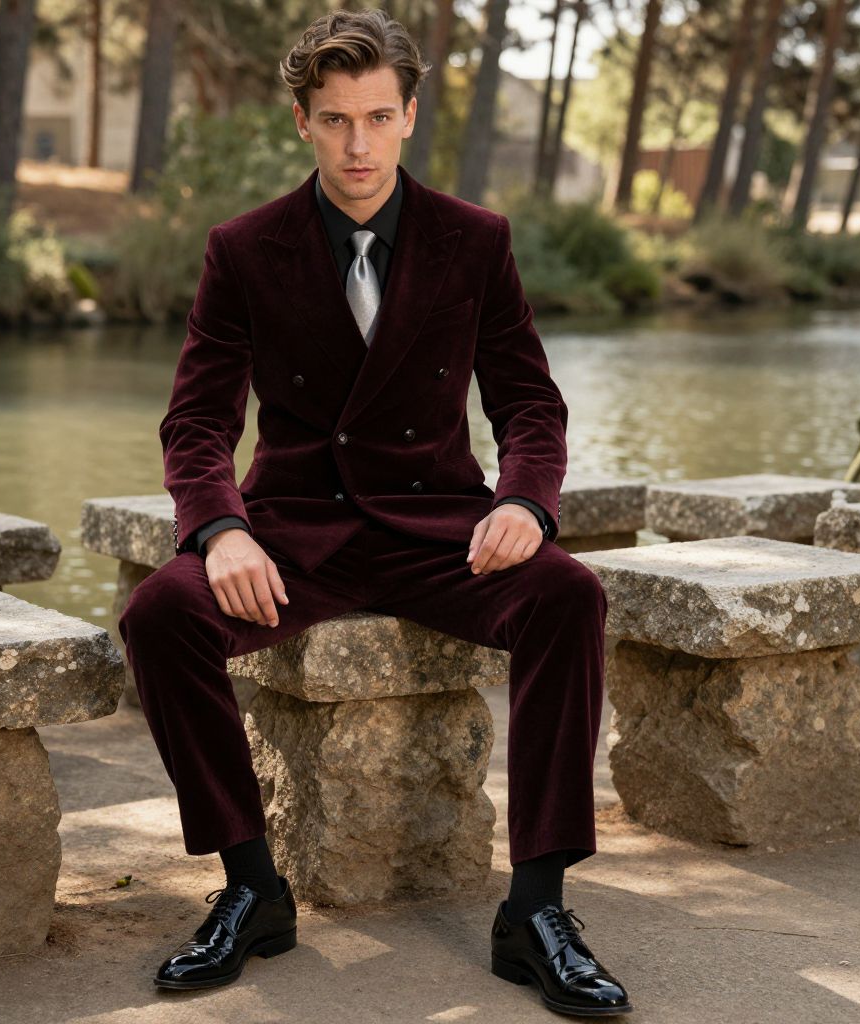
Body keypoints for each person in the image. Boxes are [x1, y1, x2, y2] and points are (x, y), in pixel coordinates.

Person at [118, 8, 632, 1018]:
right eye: (336, 119)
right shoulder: (243, 248)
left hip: (437, 527)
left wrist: (526, 500)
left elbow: (529, 404)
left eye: (378, 117)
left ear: (409, 117)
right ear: (301, 121)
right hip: (295, 532)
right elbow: (198, 420)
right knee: (158, 613)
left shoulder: (475, 241)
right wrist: (221, 528)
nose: (359, 145)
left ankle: (536, 908)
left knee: (567, 594)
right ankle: (251, 887)